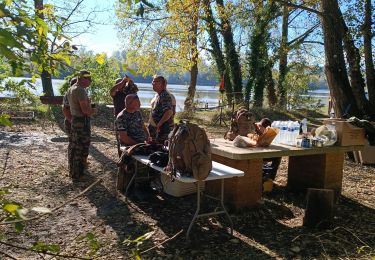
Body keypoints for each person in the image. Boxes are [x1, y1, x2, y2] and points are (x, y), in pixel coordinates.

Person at [65, 70, 96, 180]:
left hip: (76, 120)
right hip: (81, 122)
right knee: (81, 148)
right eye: (89, 79)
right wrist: (93, 110)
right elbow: (85, 110)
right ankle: (78, 174)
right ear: (82, 78)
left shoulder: (71, 89)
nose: (90, 82)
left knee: (75, 146)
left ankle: (74, 172)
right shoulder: (80, 90)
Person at [148, 75, 174, 144]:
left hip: (163, 130)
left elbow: (169, 112)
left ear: (163, 84)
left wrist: (159, 124)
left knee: (162, 149)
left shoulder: (165, 95)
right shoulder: (159, 95)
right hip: (157, 129)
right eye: (153, 81)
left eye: (156, 82)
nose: (153, 83)